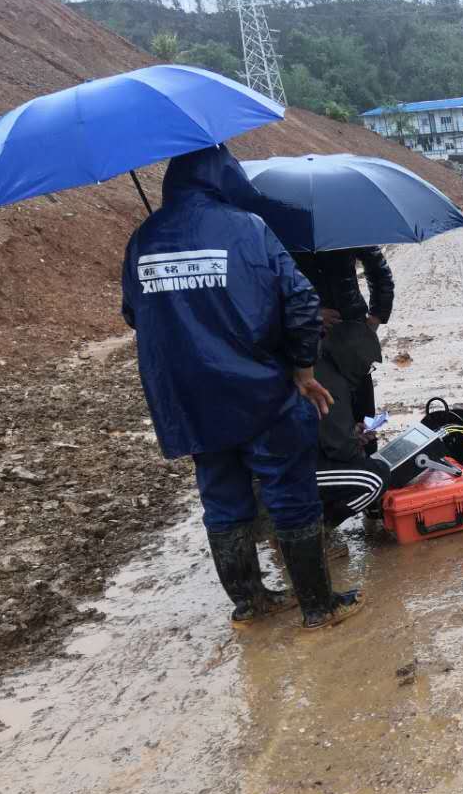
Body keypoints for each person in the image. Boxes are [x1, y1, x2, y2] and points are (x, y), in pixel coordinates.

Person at [121, 144, 363, 630]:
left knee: (221, 497)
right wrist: (303, 370)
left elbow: (134, 314)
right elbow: (300, 301)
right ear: (222, 177)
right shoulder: (248, 228)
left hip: (189, 399)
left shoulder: (143, 238)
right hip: (259, 391)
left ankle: (250, 605)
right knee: (289, 492)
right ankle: (318, 606)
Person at [292, 246, 395, 450]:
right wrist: (310, 314)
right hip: (310, 342)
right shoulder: (280, 237)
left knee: (364, 415)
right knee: (328, 415)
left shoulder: (346, 230)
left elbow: (379, 268)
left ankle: (367, 459)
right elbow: (270, 289)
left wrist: (376, 315)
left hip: (352, 335)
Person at [313, 319, 391, 529]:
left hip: (291, 457)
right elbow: (341, 450)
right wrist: (355, 443)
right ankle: (316, 528)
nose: (366, 371)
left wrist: (351, 433)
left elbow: (325, 431)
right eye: (367, 365)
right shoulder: (332, 385)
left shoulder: (319, 366)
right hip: (293, 470)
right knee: (376, 477)